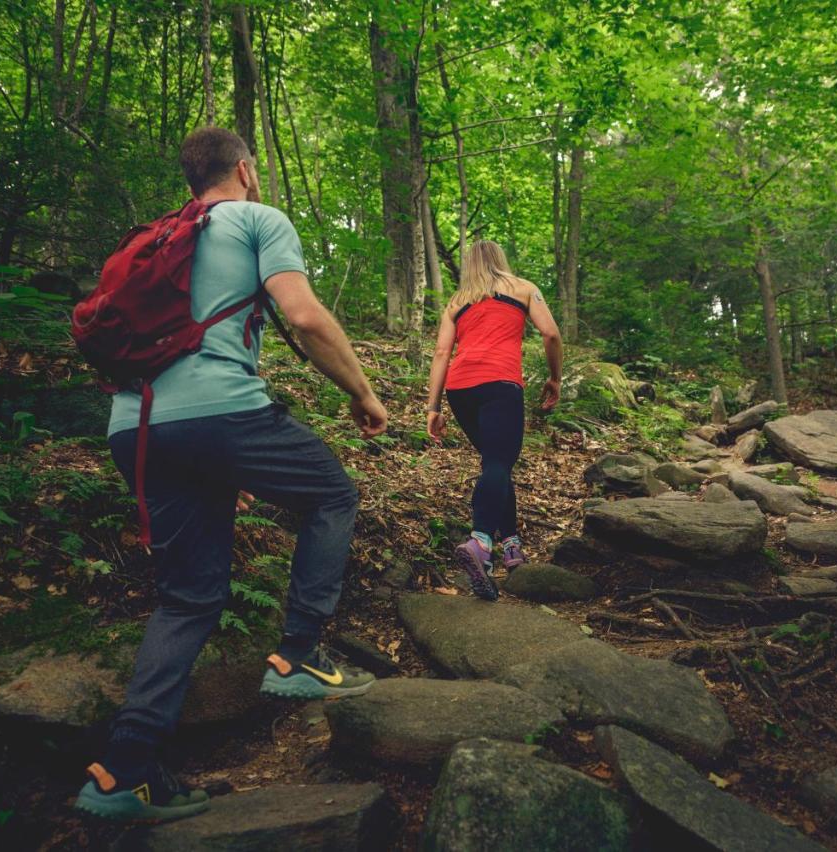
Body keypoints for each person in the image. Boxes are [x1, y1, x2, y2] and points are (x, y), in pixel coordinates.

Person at [75, 128, 389, 822]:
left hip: (136, 427)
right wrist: (364, 394)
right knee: (332, 493)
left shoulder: (157, 237)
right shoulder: (257, 218)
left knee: (187, 601)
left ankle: (122, 773)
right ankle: (300, 653)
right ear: (245, 170)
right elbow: (304, 316)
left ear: (192, 181)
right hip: (218, 412)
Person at [425, 240, 563, 600]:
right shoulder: (523, 288)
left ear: (469, 264)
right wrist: (555, 378)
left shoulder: (457, 302)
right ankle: (482, 541)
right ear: (502, 259)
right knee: (499, 462)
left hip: (460, 389)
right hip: (500, 384)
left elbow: (442, 353)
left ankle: (512, 546)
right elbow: (550, 334)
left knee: (496, 464)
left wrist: (433, 407)